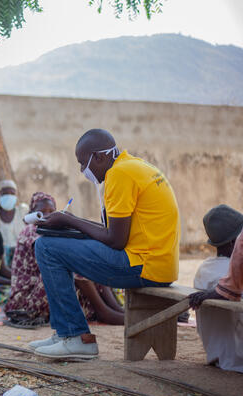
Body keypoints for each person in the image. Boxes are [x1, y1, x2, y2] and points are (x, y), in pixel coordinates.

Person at [31, 128, 180, 359]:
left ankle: (76, 337)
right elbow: (114, 232)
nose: (83, 171)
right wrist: (69, 223)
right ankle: (64, 333)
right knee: (53, 243)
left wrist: (69, 220)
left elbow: (115, 240)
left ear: (99, 157)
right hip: (158, 264)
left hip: (143, 265)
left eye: (83, 164)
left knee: (45, 247)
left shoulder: (119, 175)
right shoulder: (133, 166)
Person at [4, 192, 124, 329]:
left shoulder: (52, 229)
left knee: (90, 259)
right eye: (41, 212)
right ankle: (104, 311)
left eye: (51, 212)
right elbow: (53, 251)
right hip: (25, 300)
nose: (46, 215)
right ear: (31, 213)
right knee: (72, 262)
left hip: (41, 292)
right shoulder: (30, 230)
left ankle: (113, 307)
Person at [188, 205, 243, 373]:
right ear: (235, 242)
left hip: (216, 354)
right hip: (237, 358)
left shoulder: (204, 269)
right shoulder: (234, 272)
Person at [0, 180, 28, 265]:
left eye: (12, 193)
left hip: (22, 257)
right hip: (0, 259)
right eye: (5, 193)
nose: (9, 196)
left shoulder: (23, 211)